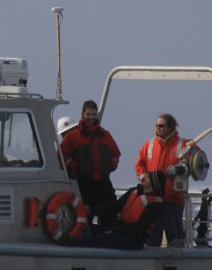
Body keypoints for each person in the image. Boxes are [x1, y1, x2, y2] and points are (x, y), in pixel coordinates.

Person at [134, 113, 197, 246]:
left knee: (175, 238)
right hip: (153, 200)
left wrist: (194, 147)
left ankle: (177, 264)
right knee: (152, 238)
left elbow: (197, 162)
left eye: (161, 126)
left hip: (173, 199)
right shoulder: (149, 145)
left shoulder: (183, 144)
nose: (158, 128)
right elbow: (139, 165)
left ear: (171, 127)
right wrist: (144, 178)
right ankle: (151, 263)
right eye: (157, 126)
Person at [60, 100, 121, 230]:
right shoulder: (73, 137)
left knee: (110, 215)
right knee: (83, 217)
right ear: (82, 114)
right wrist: (76, 167)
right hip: (84, 184)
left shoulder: (105, 135)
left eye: (94, 114)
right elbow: (62, 156)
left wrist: (111, 165)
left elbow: (116, 153)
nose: (91, 117)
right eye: (89, 114)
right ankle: (84, 242)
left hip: (103, 183)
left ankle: (109, 240)